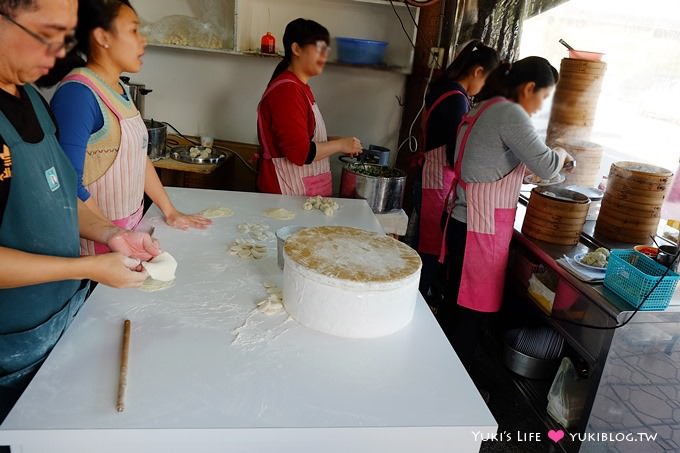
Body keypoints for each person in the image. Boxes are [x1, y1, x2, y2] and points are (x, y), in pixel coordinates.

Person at [0, 0, 160, 424]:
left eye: (65, 37)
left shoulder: (31, 98)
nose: (59, 52)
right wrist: (85, 270)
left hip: (59, 321)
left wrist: (111, 234)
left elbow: (61, 198)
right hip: (9, 346)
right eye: (47, 34)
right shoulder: (68, 95)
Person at [40, 0, 211, 255]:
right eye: (133, 30)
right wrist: (114, 236)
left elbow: (137, 158)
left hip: (129, 233)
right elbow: (68, 183)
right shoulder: (78, 95)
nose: (142, 41)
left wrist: (170, 211)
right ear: (102, 37)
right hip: (94, 247)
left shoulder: (118, 88)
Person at [437, 56, 573, 370]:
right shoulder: (510, 113)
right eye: (542, 97)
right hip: (478, 231)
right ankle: (456, 396)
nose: (540, 107)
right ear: (528, 88)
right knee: (468, 315)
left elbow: (487, 165)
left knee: (454, 309)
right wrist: (563, 153)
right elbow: (548, 164)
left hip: (462, 223)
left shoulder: (484, 107)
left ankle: (439, 380)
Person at [414, 40, 499, 309]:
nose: (483, 88)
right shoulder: (457, 100)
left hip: (429, 177)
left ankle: (418, 298)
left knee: (423, 247)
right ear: (477, 71)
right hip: (437, 183)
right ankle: (418, 304)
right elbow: (455, 153)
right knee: (428, 251)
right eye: (486, 80)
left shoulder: (442, 88)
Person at [256, 18, 362, 196]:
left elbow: (300, 137)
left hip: (300, 194)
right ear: (296, 49)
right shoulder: (287, 91)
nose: (324, 56)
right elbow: (300, 153)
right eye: (319, 49)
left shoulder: (299, 87)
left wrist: (333, 141)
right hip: (285, 196)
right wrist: (339, 145)